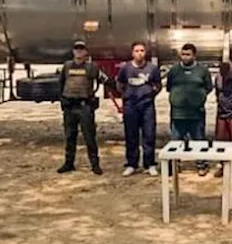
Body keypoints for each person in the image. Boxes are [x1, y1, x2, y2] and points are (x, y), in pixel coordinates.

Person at [56, 40, 105, 175]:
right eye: (77, 49)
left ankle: (95, 164)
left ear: (86, 52)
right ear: (73, 51)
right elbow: (60, 84)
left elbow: (104, 79)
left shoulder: (91, 67)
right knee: (70, 136)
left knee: (89, 137)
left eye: (81, 49)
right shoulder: (67, 66)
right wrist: (62, 100)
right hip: (70, 107)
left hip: (85, 107)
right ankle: (69, 163)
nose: (79, 52)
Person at [165, 42, 213, 175]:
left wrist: (198, 99)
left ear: (194, 55)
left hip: (196, 114)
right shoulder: (174, 70)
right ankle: (174, 166)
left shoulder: (202, 71)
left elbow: (209, 88)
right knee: (175, 141)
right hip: (177, 113)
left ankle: (201, 165)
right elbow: (169, 88)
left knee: (199, 140)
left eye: (188, 54)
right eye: (183, 54)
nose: (185, 57)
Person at [116, 41, 162, 177]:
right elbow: (119, 83)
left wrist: (150, 95)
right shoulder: (126, 68)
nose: (139, 53)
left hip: (147, 106)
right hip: (130, 106)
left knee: (149, 135)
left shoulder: (152, 68)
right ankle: (131, 164)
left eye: (142, 50)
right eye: (137, 51)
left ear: (145, 52)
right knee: (131, 135)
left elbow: (158, 85)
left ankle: (149, 164)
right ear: (132, 53)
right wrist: (126, 96)